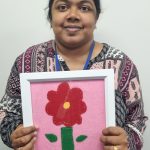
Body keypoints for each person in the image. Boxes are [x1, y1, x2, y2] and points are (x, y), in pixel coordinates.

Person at [0, 0, 148, 149]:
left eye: (84, 8)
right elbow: (6, 113)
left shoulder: (121, 65)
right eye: (62, 7)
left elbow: (138, 120)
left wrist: (126, 141)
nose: (73, 15)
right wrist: (15, 133)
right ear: (50, 17)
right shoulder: (27, 61)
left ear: (96, 18)